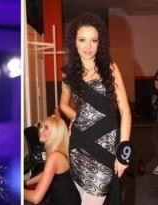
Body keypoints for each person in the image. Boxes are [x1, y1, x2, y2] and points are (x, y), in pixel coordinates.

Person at [59, 13, 131, 204]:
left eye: (93, 40)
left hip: (105, 148)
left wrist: (124, 154)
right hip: (78, 146)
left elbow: (125, 111)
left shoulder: (110, 68)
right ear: (74, 42)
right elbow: (63, 105)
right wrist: (75, 115)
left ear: (100, 43)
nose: (88, 46)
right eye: (82, 40)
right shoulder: (68, 74)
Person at [24, 116, 81, 204]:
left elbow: (36, 198)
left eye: (46, 128)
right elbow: (47, 173)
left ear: (56, 133)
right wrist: (28, 182)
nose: (40, 131)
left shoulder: (54, 156)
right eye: (41, 126)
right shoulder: (61, 150)